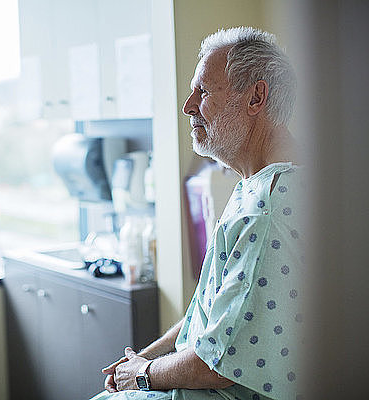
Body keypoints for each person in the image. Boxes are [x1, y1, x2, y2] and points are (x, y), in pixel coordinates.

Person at [91, 27, 303, 400]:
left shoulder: (269, 204)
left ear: (256, 97)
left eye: (203, 91)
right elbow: (207, 318)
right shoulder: (254, 187)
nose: (188, 106)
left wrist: (143, 375)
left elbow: (216, 363)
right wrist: (145, 358)